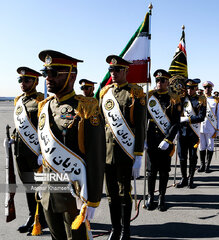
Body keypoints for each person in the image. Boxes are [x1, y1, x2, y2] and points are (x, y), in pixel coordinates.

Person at [37, 50, 106, 240]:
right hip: (48, 191)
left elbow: (96, 157)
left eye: (53, 73)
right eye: (46, 73)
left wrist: (92, 199)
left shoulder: (86, 108)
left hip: (73, 195)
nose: (48, 78)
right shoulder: (44, 106)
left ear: (71, 75)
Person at [99, 55, 145, 240]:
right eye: (111, 70)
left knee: (124, 193)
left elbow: (141, 126)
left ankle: (126, 230)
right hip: (107, 153)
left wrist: (139, 155)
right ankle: (115, 228)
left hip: (125, 152)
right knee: (111, 194)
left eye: (117, 70)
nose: (114, 73)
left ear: (126, 71)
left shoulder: (135, 93)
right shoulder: (105, 92)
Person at [12, 67, 46, 233]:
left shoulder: (42, 100)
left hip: (35, 152)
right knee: (28, 185)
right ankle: (32, 215)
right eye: (20, 80)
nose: (23, 84)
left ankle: (43, 218)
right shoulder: (18, 100)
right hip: (20, 151)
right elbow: (19, 126)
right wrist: (11, 138)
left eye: (27, 80)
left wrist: (43, 151)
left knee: (41, 186)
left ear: (36, 82)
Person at [145, 69, 181, 211]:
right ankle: (150, 196)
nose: (159, 83)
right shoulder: (149, 97)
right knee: (151, 171)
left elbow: (176, 122)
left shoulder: (174, 98)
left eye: (162, 80)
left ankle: (162, 197)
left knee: (164, 171)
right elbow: (144, 119)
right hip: (151, 140)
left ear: (168, 82)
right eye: (157, 80)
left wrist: (168, 139)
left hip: (165, 141)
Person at [176, 78, 206, 189]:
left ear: (196, 88)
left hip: (193, 133)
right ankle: (184, 178)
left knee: (193, 157)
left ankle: (191, 178)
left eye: (192, 88)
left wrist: (187, 119)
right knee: (182, 157)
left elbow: (201, 117)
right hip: (182, 132)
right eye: (188, 87)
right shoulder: (182, 99)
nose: (189, 90)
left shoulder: (200, 100)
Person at [198, 81, 219, 173]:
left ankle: (208, 165)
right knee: (201, 146)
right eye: (205, 88)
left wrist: (218, 129)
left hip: (211, 127)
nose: (207, 89)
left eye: (209, 87)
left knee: (210, 146)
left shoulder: (216, 100)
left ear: (212, 89)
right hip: (200, 127)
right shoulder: (199, 99)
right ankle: (202, 165)